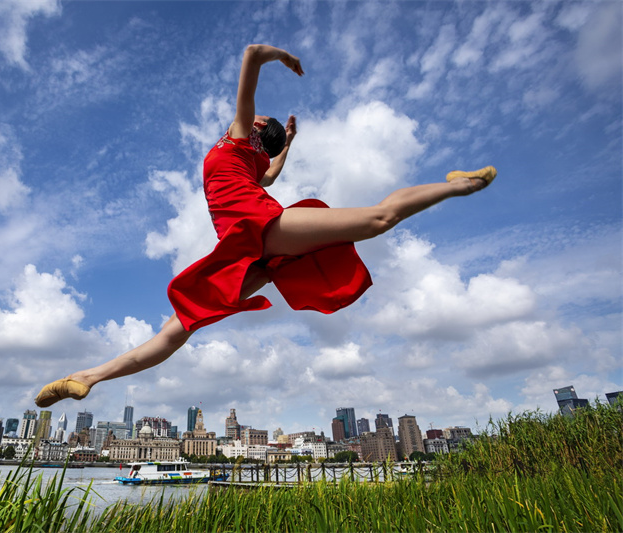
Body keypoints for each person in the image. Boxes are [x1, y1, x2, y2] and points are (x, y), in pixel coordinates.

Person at [34, 44, 496, 408]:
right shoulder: (253, 163)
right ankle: (84, 378)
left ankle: (461, 184)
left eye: (255, 117)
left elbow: (252, 53)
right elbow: (272, 172)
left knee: (376, 219)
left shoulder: (237, 139)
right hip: (254, 249)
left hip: (256, 233)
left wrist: (281, 57)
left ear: (255, 127)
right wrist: (287, 143)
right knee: (378, 219)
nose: (249, 114)